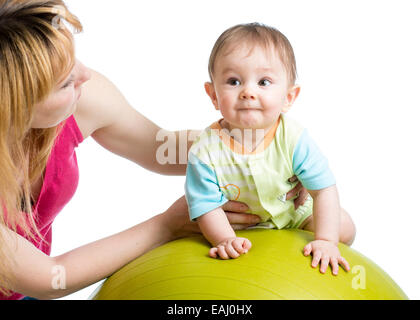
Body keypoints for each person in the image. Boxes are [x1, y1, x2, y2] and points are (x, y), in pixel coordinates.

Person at [0, 2, 314, 300]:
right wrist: (165, 225)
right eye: (65, 81)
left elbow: (158, 147)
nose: (84, 74)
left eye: (74, 59)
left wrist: (268, 153)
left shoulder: (85, 95)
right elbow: (49, 277)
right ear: (15, 104)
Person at [185, 23, 357, 275]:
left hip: (294, 214)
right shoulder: (204, 151)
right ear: (213, 95)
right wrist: (224, 239)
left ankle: (306, 245)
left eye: (263, 82)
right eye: (233, 81)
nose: (247, 92)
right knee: (212, 244)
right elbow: (206, 206)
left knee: (345, 227)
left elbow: (323, 190)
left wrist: (326, 240)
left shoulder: (294, 138)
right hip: (240, 226)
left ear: (288, 97)